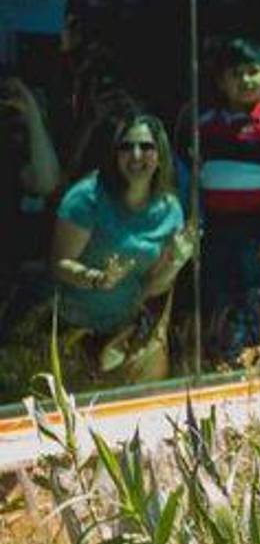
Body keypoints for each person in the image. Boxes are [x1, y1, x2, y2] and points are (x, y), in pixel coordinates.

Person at [50, 114, 190, 350]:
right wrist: (96, 279)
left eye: (146, 147)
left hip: (123, 335)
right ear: (115, 155)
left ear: (160, 156)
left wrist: (176, 262)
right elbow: (59, 264)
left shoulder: (171, 210)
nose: (136, 155)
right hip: (70, 330)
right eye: (126, 147)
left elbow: (152, 286)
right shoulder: (87, 197)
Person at [194, 37, 260, 359]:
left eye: (253, 72)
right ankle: (223, 364)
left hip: (257, 230)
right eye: (236, 73)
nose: (245, 80)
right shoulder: (206, 125)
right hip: (218, 228)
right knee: (220, 298)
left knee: (258, 298)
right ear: (222, 81)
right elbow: (197, 181)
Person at [0, 79, 63, 312]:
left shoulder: (41, 151)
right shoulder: (8, 149)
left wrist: (33, 113)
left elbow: (44, 182)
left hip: (28, 278)